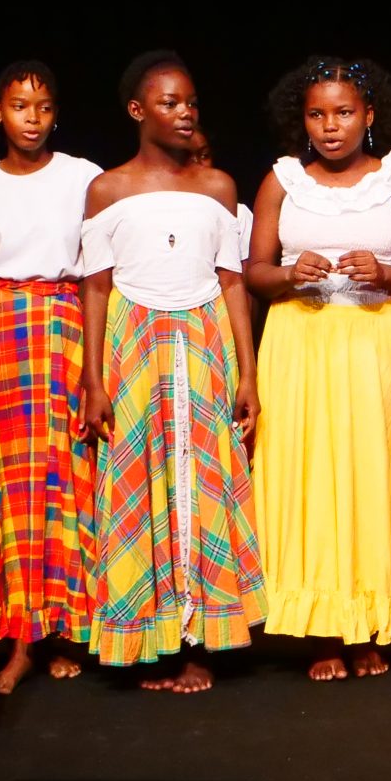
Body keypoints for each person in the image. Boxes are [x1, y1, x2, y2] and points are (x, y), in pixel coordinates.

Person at [76, 52, 264, 693]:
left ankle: (201, 642)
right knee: (140, 478)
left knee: (201, 480)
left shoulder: (217, 187)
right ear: (137, 111)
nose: (186, 113)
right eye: (170, 103)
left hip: (204, 340)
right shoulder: (108, 189)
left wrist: (247, 374)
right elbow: (96, 287)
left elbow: (233, 283)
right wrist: (93, 379)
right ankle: (148, 636)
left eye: (191, 103)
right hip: (134, 343)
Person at [249, 56, 391, 680]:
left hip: (373, 340)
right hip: (301, 341)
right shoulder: (281, 181)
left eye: (345, 112)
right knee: (310, 477)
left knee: (373, 476)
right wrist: (286, 275)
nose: (331, 126)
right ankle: (324, 631)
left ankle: (371, 621)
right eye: (317, 115)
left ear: (369, 115)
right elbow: (254, 272)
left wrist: (384, 273)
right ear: (301, 120)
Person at [0, 61, 101, 694]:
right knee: (7, 487)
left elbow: (98, 274)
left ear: (56, 114)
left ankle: (67, 629)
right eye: (19, 106)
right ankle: (18, 639)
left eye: (43, 107)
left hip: (64, 324)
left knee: (65, 475)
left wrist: (96, 369)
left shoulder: (84, 177)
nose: (31, 119)